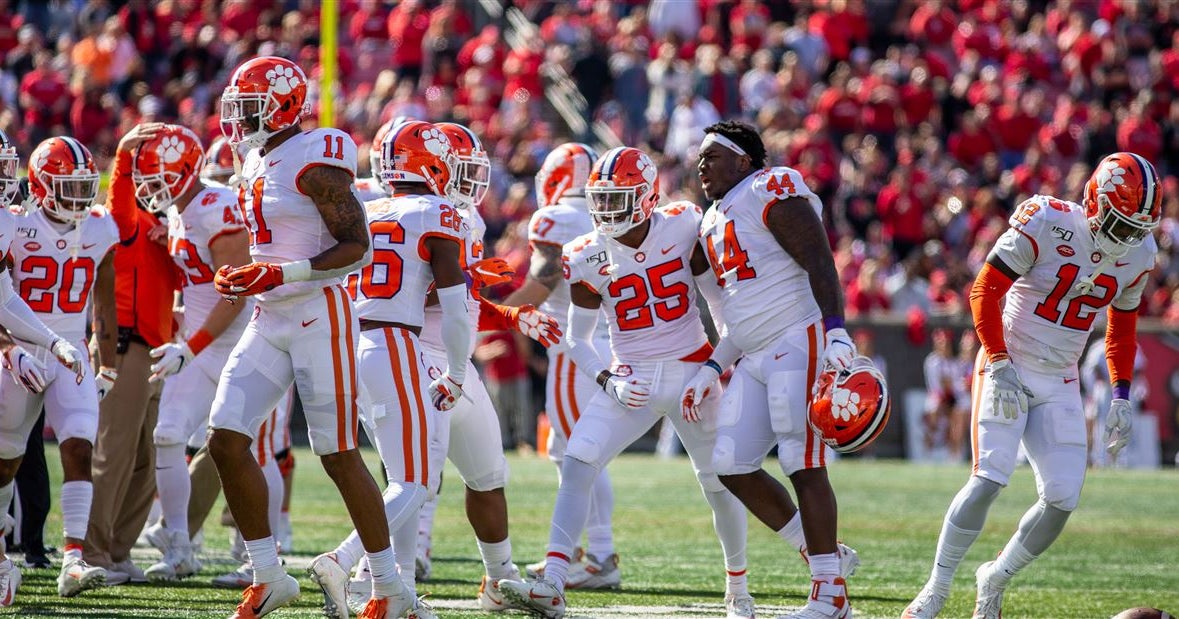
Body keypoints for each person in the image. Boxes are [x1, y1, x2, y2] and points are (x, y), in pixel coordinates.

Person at [902, 152, 1161, 618]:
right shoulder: (1045, 219)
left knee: (1063, 498)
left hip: (1061, 378)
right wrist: (998, 361)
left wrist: (1121, 392)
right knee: (989, 478)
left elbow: (1121, 328)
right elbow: (984, 290)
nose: (1131, 238)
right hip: (1011, 362)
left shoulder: (1140, 255)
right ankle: (936, 590)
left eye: (1139, 229)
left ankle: (995, 576)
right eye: (1123, 225)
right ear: (1093, 203)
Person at [498, 147, 753, 619]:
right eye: (601, 199)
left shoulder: (682, 224)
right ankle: (554, 579)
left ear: (648, 196)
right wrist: (607, 379)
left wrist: (714, 368)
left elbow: (723, 312)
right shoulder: (585, 252)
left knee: (718, 482)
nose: (606, 210)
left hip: (691, 369)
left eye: (618, 198)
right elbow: (578, 338)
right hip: (631, 377)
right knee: (577, 461)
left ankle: (738, 590)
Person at [210, 55, 406, 618]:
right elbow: (272, 244)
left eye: (250, 109)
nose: (241, 120)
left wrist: (279, 272)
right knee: (224, 437)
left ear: (284, 106)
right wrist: (249, 275)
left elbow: (355, 247)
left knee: (339, 455)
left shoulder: (317, 157)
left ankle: (388, 585)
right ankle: (269, 575)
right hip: (269, 317)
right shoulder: (254, 158)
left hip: (320, 315)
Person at [685, 120, 861, 619]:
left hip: (798, 335)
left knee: (801, 461)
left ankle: (829, 594)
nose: (702, 166)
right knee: (729, 464)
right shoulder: (712, 218)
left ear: (743, 160)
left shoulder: (770, 185)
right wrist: (713, 365)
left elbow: (819, 259)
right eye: (699, 159)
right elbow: (742, 311)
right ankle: (823, 556)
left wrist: (836, 330)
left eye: (712, 156)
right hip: (756, 351)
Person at [309, 119, 468, 619]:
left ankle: (387, 591)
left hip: (339, 344)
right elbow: (457, 313)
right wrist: (458, 374)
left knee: (397, 474)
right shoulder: (438, 211)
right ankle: (343, 560)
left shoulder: (363, 204)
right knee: (415, 481)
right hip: (391, 342)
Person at [412, 121, 559, 611]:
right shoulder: (420, 214)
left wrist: (513, 312)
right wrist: (466, 278)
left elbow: (465, 301)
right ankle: (366, 569)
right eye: (464, 170)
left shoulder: (465, 220)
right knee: (413, 481)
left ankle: (499, 578)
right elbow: (408, 295)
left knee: (489, 472)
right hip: (409, 358)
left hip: (455, 363)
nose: (474, 181)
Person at [0, 136, 118, 599]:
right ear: (43, 185)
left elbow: (103, 302)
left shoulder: (100, 228)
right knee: (7, 461)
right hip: (19, 350)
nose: (79, 196)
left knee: (79, 444)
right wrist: (9, 346)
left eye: (84, 186)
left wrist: (105, 363)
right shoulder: (14, 224)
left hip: (69, 347)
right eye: (67, 186)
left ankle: (73, 558)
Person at [502, 142, 623, 589]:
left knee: (579, 454)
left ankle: (602, 555)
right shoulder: (602, 209)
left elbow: (539, 288)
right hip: (604, 339)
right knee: (566, 448)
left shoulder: (558, 219)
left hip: (579, 344)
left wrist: (483, 312)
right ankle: (576, 549)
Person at [85, 122, 183, 586]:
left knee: (146, 460)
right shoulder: (125, 221)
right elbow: (118, 200)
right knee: (114, 453)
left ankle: (118, 549)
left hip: (156, 350)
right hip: (123, 347)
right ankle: (92, 550)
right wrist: (124, 156)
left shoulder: (170, 226)